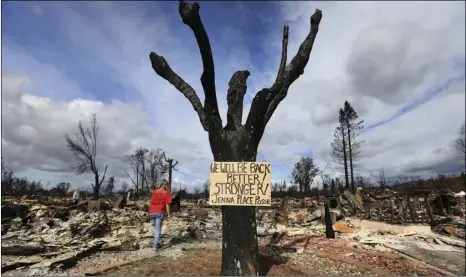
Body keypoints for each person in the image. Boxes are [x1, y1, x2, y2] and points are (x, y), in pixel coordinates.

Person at [147, 180, 172, 250]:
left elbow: (148, 202)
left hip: (152, 212)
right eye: (168, 185)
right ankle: (155, 246)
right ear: (165, 185)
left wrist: (152, 208)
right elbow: (167, 205)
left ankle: (156, 243)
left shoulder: (155, 192)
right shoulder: (166, 193)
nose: (168, 187)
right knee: (158, 230)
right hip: (160, 212)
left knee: (155, 229)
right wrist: (169, 214)